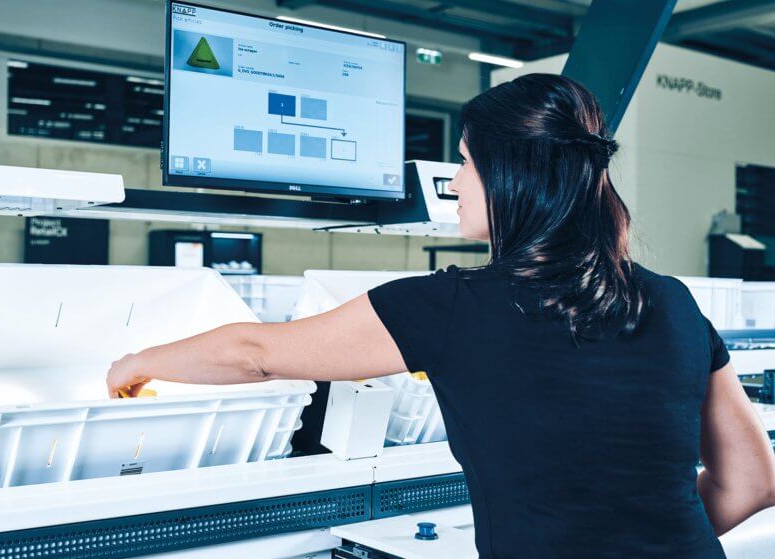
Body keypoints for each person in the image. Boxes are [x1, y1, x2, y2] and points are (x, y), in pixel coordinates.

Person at [106, 74, 775, 557]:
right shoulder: (672, 302)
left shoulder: (451, 306)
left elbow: (255, 350)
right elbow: (752, 481)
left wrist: (137, 363)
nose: (454, 183)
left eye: (464, 164)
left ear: (507, 178)